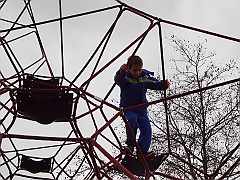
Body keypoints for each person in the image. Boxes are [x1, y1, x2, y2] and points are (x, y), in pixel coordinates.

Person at [114, 55, 169, 158]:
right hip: (129, 108)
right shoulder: (125, 77)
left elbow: (154, 83)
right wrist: (120, 71)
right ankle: (130, 145)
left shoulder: (144, 77)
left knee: (147, 129)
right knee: (132, 121)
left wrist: (163, 85)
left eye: (139, 70)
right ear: (129, 68)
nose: (137, 72)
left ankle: (142, 152)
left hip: (142, 109)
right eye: (134, 70)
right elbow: (118, 81)